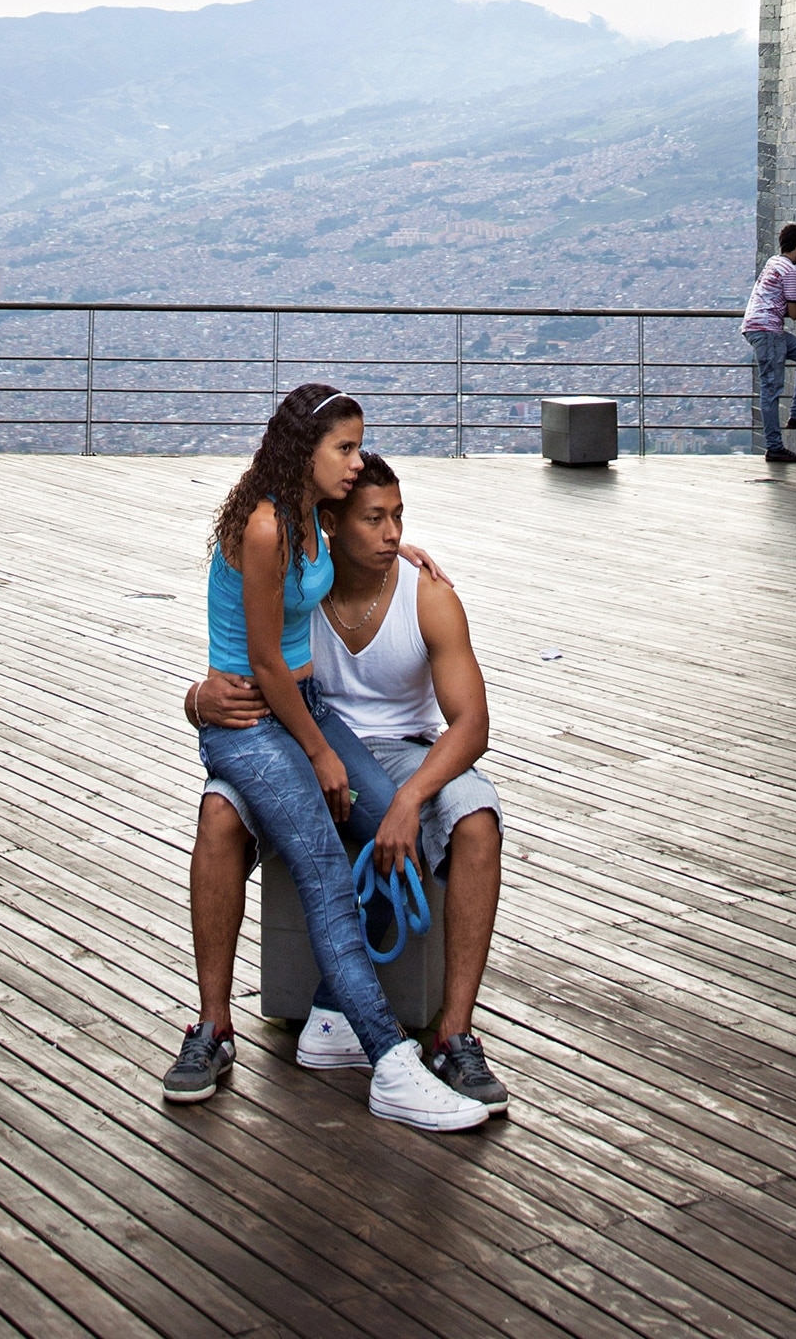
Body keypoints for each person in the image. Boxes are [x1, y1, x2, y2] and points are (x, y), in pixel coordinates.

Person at [160, 383, 489, 1132]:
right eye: (343, 448)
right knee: (323, 873)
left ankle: (336, 1016)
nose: (354, 459)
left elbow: (344, 547)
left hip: (305, 711)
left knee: (392, 827)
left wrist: (391, 543)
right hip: (252, 719)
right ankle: (391, 1063)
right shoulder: (269, 525)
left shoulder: (312, 515)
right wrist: (320, 754)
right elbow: (268, 662)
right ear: (302, 451)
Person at [742, 222, 796, 463]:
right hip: (768, 331)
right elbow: (795, 312)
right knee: (771, 389)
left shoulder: (773, 262)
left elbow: (780, 300)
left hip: (760, 327)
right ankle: (775, 447)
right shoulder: (791, 271)